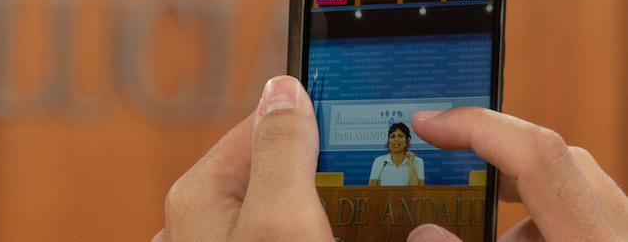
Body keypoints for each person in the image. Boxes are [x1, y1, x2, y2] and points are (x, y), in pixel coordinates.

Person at [154, 75, 628, 241]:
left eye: (404, 140)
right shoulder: (380, 167)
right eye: (396, 141)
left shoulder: (416, 168)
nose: (400, 146)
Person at [369, 122, 424, 186]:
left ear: (407, 141)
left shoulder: (417, 161)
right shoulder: (379, 161)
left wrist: (411, 164)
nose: (396, 139)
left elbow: (418, 190)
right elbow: (372, 189)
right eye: (392, 136)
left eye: (400, 136)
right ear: (388, 141)